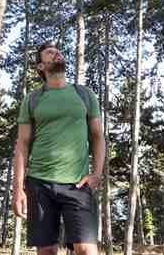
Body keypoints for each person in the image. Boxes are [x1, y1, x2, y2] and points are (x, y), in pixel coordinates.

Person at [13, 43, 106, 255]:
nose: (57, 53)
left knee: (86, 250)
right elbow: (22, 145)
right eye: (50, 52)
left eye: (58, 51)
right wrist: (18, 189)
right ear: (40, 67)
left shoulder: (84, 95)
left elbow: (98, 136)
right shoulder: (32, 99)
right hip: (39, 183)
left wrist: (97, 174)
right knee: (47, 251)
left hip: (77, 184)